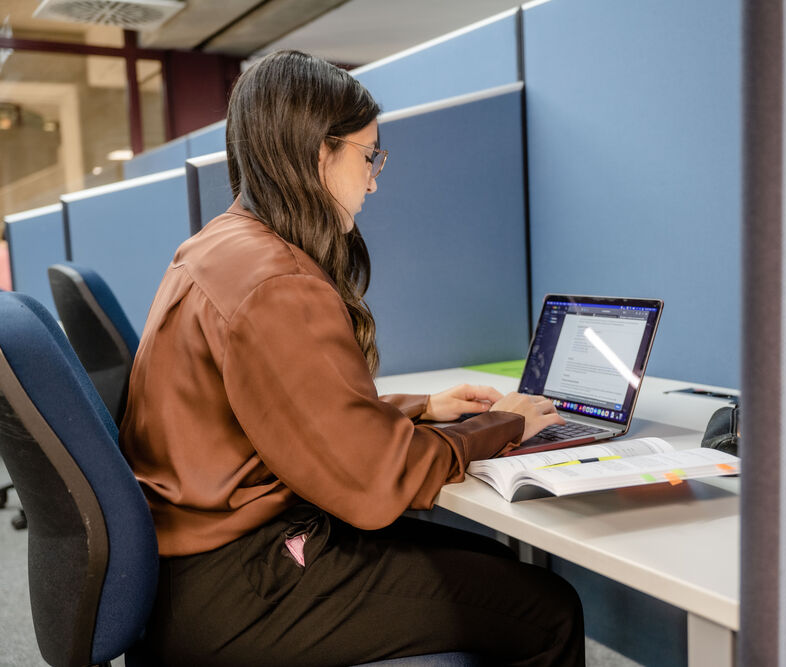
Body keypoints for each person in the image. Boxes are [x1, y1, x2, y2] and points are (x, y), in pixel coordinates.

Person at [119, 49, 585, 666]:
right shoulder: (276, 282)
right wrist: (500, 426)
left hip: (187, 575)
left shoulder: (218, 247)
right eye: (369, 156)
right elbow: (374, 482)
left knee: (494, 565)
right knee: (547, 610)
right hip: (242, 587)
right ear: (319, 153)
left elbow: (282, 407)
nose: (373, 180)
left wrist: (423, 408)